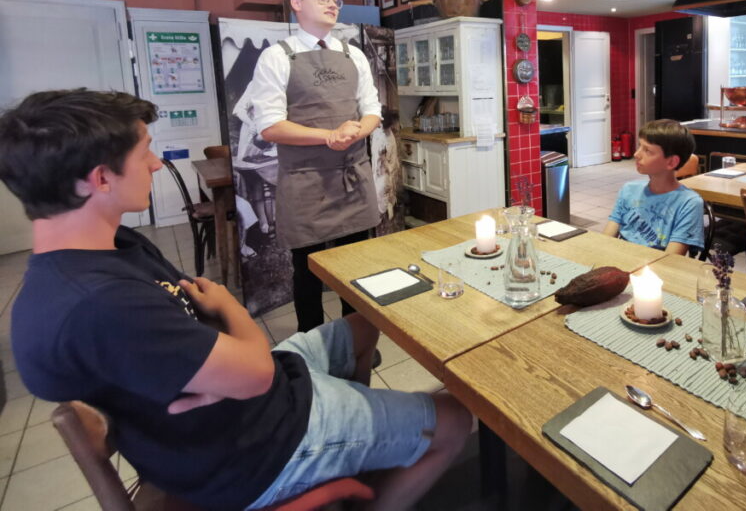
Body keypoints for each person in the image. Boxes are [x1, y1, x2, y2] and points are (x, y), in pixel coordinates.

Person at [0, 89, 471, 511]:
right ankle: (357, 464)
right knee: (454, 417)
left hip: (246, 395)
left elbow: (203, 317)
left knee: (366, 322)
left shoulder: (113, 246)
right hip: (254, 445)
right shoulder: (97, 305)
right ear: (100, 178)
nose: (156, 164)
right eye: (144, 152)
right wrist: (232, 315)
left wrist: (219, 356)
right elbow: (251, 364)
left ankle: (363, 444)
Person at [250, 0, 382, 331]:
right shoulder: (278, 57)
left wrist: (356, 132)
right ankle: (313, 344)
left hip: (353, 178)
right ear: (296, 3)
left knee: (356, 268)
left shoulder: (353, 54)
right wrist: (328, 136)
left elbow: (373, 109)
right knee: (308, 271)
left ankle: (356, 341)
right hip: (306, 183)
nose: (332, 5)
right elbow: (270, 125)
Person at [603, 119, 704, 255]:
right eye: (639, 146)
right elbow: (605, 241)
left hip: (656, 270)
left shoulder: (689, 203)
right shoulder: (628, 190)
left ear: (671, 162)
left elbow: (671, 259)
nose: (636, 155)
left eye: (647, 151)